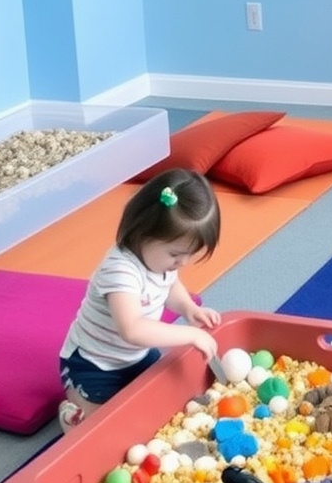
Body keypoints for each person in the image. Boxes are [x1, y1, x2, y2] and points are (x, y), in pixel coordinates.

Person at [58, 168, 222, 431]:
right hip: (93, 365)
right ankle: (72, 414)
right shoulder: (120, 269)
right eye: (176, 254)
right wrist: (190, 335)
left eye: (190, 255)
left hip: (137, 358)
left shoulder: (161, 262)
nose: (182, 263)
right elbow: (132, 329)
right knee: (103, 430)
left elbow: (170, 287)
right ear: (142, 233)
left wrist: (188, 307)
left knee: (162, 409)